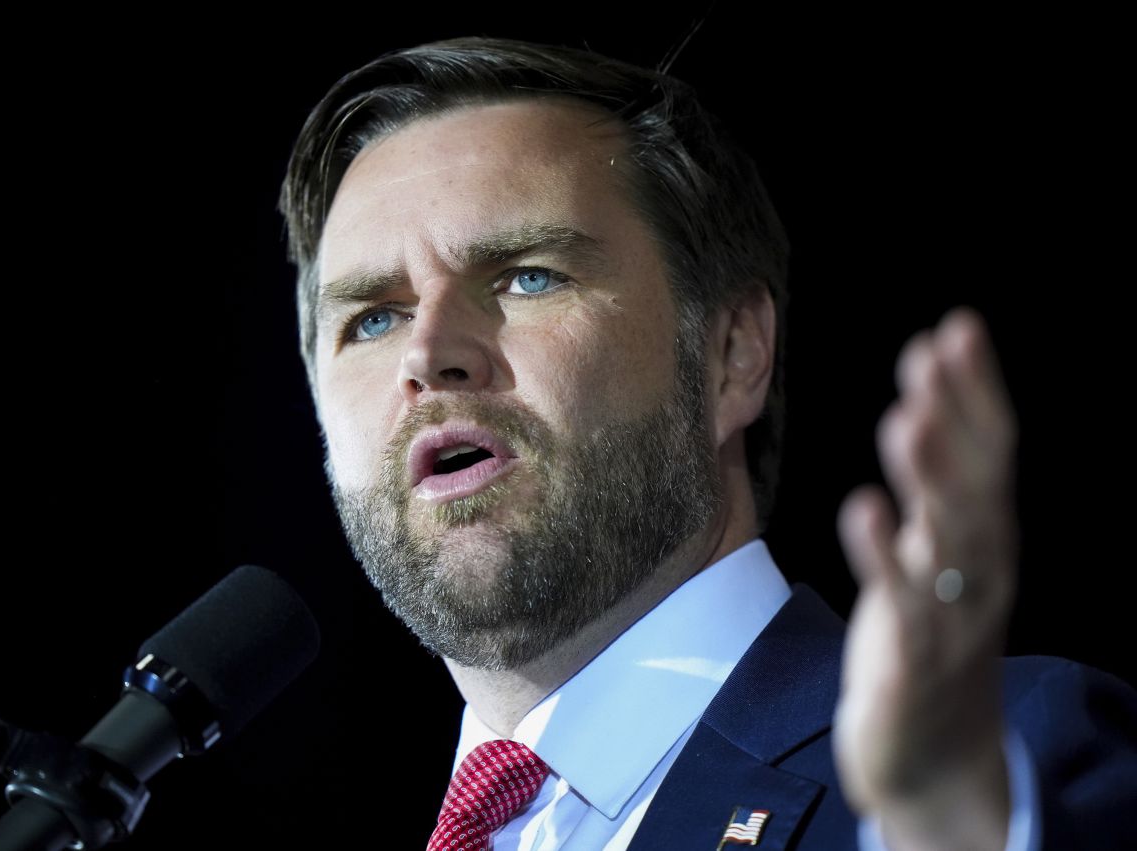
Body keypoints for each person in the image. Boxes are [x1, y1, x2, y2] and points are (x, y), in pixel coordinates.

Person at [278, 36, 1137, 849]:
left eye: (528, 275)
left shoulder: (1002, 761)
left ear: (733, 354)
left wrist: (945, 822)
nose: (427, 355)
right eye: (373, 318)